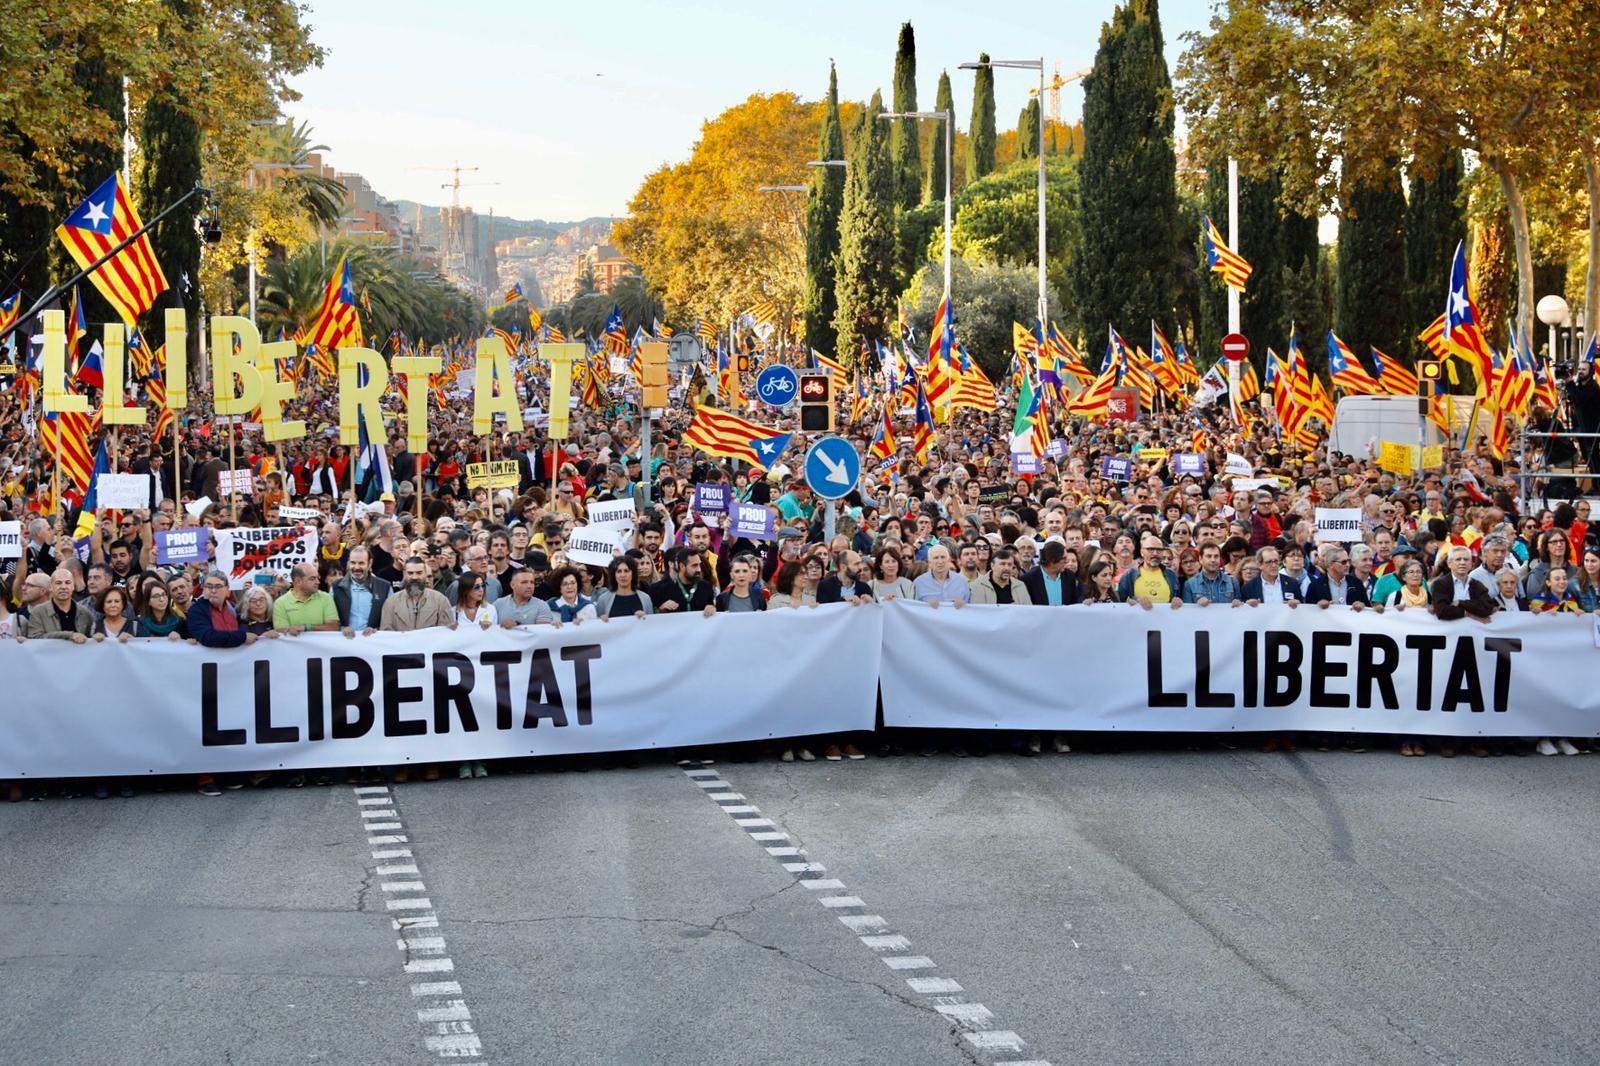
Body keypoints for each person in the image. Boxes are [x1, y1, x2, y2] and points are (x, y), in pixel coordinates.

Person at [380, 557, 456, 631]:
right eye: (410, 573)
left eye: (419, 573)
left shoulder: (440, 600)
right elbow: (386, 635)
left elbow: (445, 632)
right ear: (404, 574)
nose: (414, 577)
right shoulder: (391, 602)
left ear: (425, 574)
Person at [332, 545, 391, 637]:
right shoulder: (336, 587)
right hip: (344, 642)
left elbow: (390, 619)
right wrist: (342, 628)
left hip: (373, 643)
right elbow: (330, 618)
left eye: (361, 563)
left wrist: (377, 629)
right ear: (348, 563)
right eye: (353, 563)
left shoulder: (384, 587)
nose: (356, 567)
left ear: (370, 563)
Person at [23, 569, 96, 642]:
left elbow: (91, 640)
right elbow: (34, 639)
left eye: (68, 583)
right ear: (51, 587)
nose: (63, 587)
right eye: (58, 583)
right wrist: (69, 635)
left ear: (73, 586)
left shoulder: (85, 613)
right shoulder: (38, 612)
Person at [1429, 545, 1496, 621]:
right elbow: (1442, 611)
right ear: (1449, 563)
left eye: (1466, 559)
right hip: (1449, 631)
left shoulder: (1477, 585)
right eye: (1458, 559)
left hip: (1473, 632)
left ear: (1471, 564)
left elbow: (1486, 608)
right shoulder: (1440, 584)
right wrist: (1468, 613)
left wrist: (1460, 603)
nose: (1462, 562)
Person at [272, 562, 340, 634]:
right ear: (298, 581)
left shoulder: (326, 598)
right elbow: (281, 632)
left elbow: (334, 627)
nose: (318, 582)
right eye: (312, 578)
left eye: (317, 578)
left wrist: (306, 627)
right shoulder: (280, 603)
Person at [1116, 536, 1180, 608]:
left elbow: (1179, 600)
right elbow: (1120, 603)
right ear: (1142, 552)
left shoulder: (1171, 575)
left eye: (1159, 550)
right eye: (1151, 549)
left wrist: (1177, 602)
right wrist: (1135, 600)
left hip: (1165, 618)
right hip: (1137, 618)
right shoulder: (1130, 575)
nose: (1155, 553)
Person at [648, 546, 716, 614]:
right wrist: (661, 609)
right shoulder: (663, 589)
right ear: (681, 566)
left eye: (699, 565)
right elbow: (652, 618)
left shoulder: (706, 587)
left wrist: (712, 608)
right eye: (694, 565)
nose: (699, 569)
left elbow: (714, 611)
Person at [1306, 547, 1371, 609]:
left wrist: (1362, 605)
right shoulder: (1315, 586)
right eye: (1343, 562)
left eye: (1348, 561)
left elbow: (1368, 609)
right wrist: (1318, 607)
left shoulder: (1356, 583)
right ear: (1331, 564)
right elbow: (1308, 611)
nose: (1348, 565)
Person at [494, 568, 561, 626]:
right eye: (524, 582)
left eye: (532, 582)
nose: (529, 586)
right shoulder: (498, 604)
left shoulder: (542, 606)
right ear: (512, 585)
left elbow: (541, 632)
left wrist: (517, 625)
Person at [1020, 541, 1074, 606]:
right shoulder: (1028, 579)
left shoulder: (1069, 576)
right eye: (1064, 558)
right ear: (1052, 560)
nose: (1067, 561)